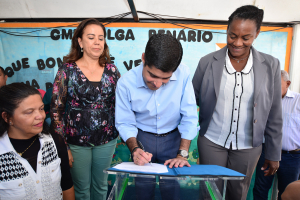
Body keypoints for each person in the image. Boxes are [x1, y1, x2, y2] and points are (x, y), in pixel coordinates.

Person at [192, 5, 282, 200]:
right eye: (232, 36)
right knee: (208, 193)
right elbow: (191, 102)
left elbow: (274, 112)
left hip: (248, 146)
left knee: (238, 194)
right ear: (227, 30)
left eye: (245, 38)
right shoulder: (207, 62)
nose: (237, 43)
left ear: (257, 33)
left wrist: (274, 153)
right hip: (212, 141)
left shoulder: (271, 65)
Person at [115, 33, 198, 200]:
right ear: (144, 58)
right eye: (152, 76)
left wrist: (182, 154)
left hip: (173, 138)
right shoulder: (125, 83)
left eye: (165, 78)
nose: (157, 84)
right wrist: (136, 149)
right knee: (143, 190)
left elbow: (189, 116)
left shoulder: (184, 74)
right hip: (143, 138)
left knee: (172, 191)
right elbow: (125, 122)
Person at [50, 18, 120, 200]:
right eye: (91, 37)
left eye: (101, 38)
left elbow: (122, 104)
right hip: (75, 142)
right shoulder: (67, 70)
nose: (97, 42)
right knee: (81, 190)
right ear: (80, 41)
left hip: (106, 140)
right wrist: (63, 146)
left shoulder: (112, 71)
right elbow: (56, 110)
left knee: (101, 186)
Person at [0, 83, 74, 200]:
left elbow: (66, 185)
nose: (40, 116)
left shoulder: (55, 142)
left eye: (41, 109)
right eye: (29, 112)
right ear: (7, 117)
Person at [253, 70, 300, 200]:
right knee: (260, 188)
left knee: (288, 192)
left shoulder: (298, 101)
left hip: (292, 156)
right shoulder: (263, 101)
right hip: (266, 152)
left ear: (288, 83)